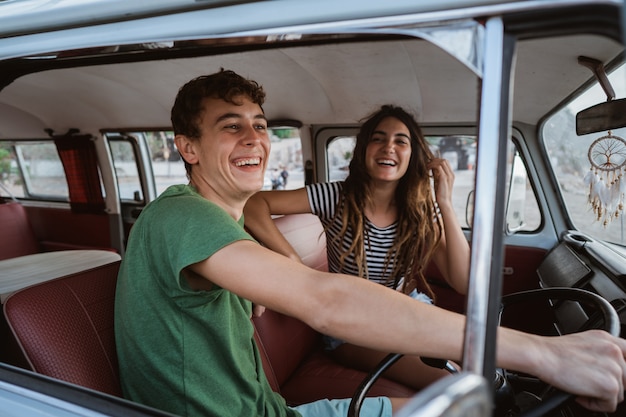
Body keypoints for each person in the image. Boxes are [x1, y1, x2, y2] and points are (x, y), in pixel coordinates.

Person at [114, 69, 626, 417]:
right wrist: (545, 354)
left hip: (270, 408)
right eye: (231, 127)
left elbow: (468, 282)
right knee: (467, 399)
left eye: (260, 126)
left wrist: (443, 202)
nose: (254, 139)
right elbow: (326, 298)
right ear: (187, 147)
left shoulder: (214, 232)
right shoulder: (180, 217)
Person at [244, 104, 470, 390]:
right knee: (450, 380)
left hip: (405, 309)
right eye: (378, 138)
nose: (388, 147)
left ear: (413, 155)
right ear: (364, 149)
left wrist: (445, 204)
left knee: (482, 358)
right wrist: (288, 256)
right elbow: (255, 203)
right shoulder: (336, 196)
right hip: (349, 325)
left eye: (401, 141)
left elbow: (463, 281)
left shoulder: (419, 209)